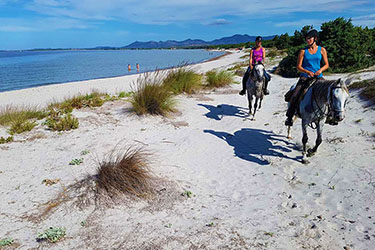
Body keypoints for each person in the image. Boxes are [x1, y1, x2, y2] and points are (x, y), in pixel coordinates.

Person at [284, 29, 329, 126]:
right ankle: (290, 116)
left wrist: (320, 70)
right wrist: (307, 71)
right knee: (295, 95)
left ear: (315, 38)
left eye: (309, 38)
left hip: (318, 77)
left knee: (328, 93)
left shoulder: (322, 50)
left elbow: (326, 64)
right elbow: (299, 66)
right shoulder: (303, 51)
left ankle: (329, 116)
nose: (307, 40)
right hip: (305, 77)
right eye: (306, 38)